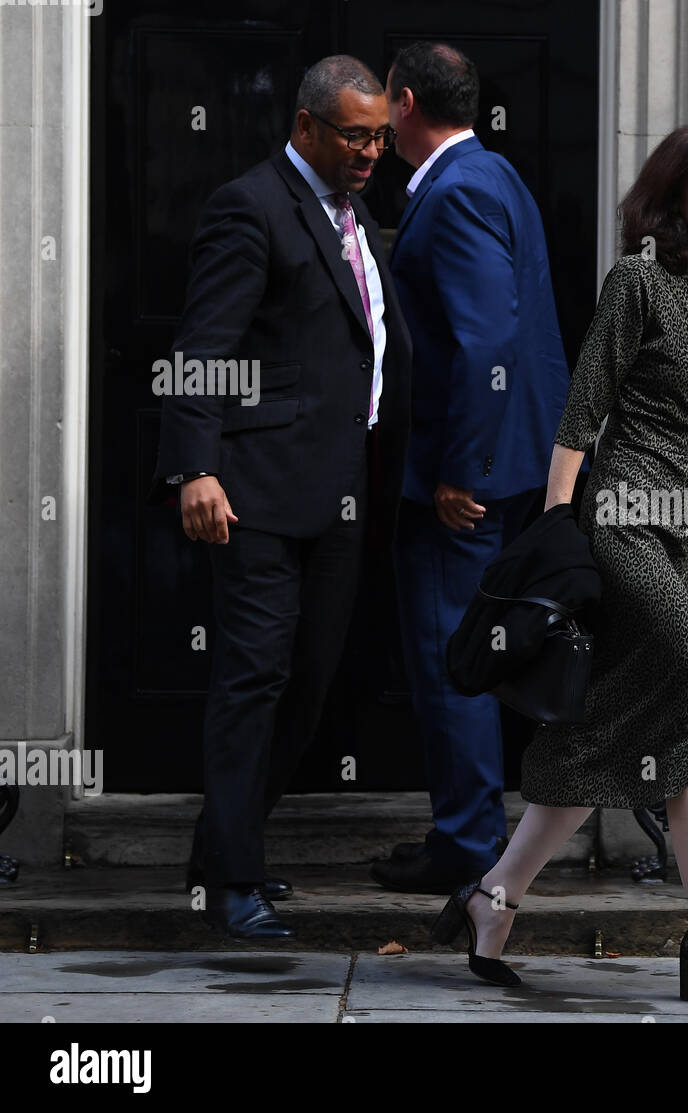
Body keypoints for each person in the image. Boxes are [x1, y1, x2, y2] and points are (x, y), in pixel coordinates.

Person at [431, 125, 688, 1007]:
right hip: (621, 517)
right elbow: (582, 412)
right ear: (676, 196)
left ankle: (493, 897)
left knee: (613, 727)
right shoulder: (637, 282)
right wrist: (556, 532)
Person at [150, 55, 411, 939]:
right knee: (253, 681)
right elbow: (202, 346)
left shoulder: (355, 213)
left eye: (380, 135)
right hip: (256, 494)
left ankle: (229, 851)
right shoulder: (251, 207)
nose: (373, 150)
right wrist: (195, 467)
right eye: (355, 135)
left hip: (338, 494)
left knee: (308, 683)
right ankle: (228, 884)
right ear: (305, 128)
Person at [373, 42, 570, 894]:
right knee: (475, 644)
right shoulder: (494, 175)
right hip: (515, 458)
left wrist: (464, 470)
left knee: (450, 651)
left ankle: (465, 844)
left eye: (384, 101)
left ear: (404, 100)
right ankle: (474, 834)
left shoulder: (455, 192)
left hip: (470, 475)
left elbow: (488, 339)